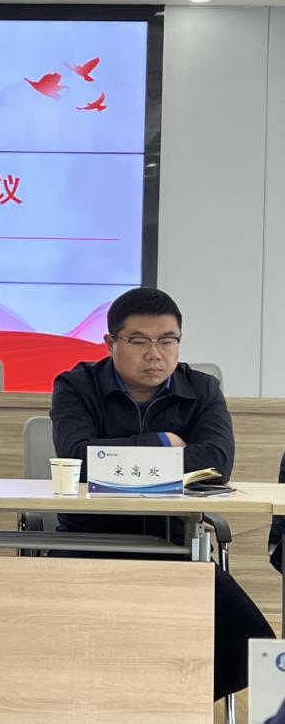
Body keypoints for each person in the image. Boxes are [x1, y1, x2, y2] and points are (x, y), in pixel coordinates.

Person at [50, 285, 273, 700]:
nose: (155, 354)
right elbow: (78, 458)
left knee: (252, 644)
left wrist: (113, 457)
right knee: (60, 642)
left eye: (167, 341)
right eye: (139, 341)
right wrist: (164, 443)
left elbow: (216, 463)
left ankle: (167, 703)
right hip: (89, 541)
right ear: (111, 343)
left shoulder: (202, 389)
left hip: (174, 543)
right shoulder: (77, 386)